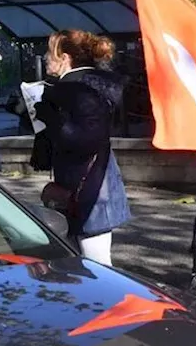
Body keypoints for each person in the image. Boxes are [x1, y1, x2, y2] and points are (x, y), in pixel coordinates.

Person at [32, 28, 130, 265]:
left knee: (97, 265)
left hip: (93, 189)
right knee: (81, 262)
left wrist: (50, 117)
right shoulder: (77, 87)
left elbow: (84, 140)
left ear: (65, 58)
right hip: (84, 185)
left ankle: (109, 303)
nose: (46, 58)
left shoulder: (84, 90)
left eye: (50, 53)